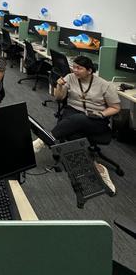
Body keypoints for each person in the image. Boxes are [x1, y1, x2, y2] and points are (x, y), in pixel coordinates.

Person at [33, 55, 121, 193]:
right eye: (74, 67)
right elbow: (58, 98)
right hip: (72, 112)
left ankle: (43, 140)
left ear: (89, 70)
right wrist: (59, 86)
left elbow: (115, 108)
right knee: (74, 134)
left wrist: (102, 114)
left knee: (78, 120)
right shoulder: (70, 77)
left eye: (79, 68)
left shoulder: (104, 85)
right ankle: (98, 169)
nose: (75, 70)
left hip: (95, 118)